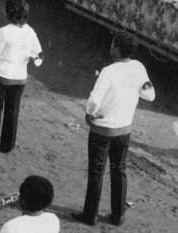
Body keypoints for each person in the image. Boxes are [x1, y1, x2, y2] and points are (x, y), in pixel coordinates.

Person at [73, 33, 155, 227]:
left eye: (112, 45)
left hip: (102, 130)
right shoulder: (138, 68)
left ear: (117, 49)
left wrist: (90, 113)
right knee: (119, 170)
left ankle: (90, 215)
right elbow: (150, 95)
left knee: (97, 171)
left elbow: (95, 98)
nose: (110, 48)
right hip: (123, 130)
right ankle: (118, 215)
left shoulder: (109, 71)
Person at [0, 0, 43, 153]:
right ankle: (7, 144)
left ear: (8, 13)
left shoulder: (4, 31)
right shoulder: (30, 32)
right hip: (19, 78)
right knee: (12, 111)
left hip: (0, 76)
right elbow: (39, 54)